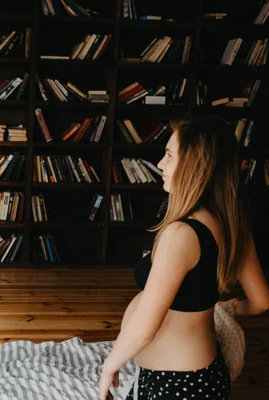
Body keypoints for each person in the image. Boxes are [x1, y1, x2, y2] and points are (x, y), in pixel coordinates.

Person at [98, 115, 269, 400]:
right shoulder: (233, 224)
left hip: (176, 385)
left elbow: (144, 327)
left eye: (168, 155)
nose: (161, 165)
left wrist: (109, 366)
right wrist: (233, 308)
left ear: (195, 165)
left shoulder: (181, 234)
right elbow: (262, 300)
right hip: (201, 377)